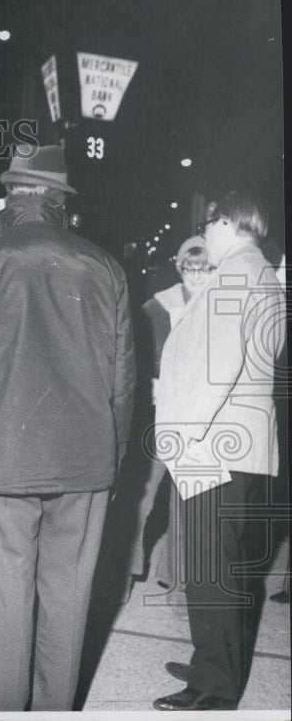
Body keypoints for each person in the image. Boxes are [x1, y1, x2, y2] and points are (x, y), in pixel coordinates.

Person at [0, 145, 135, 711]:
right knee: (68, 598)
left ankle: (0, 707)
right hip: (85, 459)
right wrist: (110, 464)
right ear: (60, 201)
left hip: (1, 458)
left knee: (6, 597)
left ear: (11, 197)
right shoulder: (106, 265)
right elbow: (123, 381)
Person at [153, 192, 285, 711]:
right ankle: (215, 659)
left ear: (227, 222)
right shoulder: (262, 272)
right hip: (241, 442)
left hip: (213, 442)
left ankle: (213, 686)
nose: (204, 234)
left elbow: (216, 367)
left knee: (211, 566)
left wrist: (182, 439)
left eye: (208, 225)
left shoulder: (234, 275)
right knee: (222, 563)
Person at [126, 236, 215, 598]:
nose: (196, 275)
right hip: (160, 415)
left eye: (204, 267)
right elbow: (137, 358)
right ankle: (125, 576)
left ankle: (177, 581)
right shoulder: (156, 308)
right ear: (180, 268)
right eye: (189, 267)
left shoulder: (221, 307)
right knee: (143, 499)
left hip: (203, 418)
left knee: (191, 501)